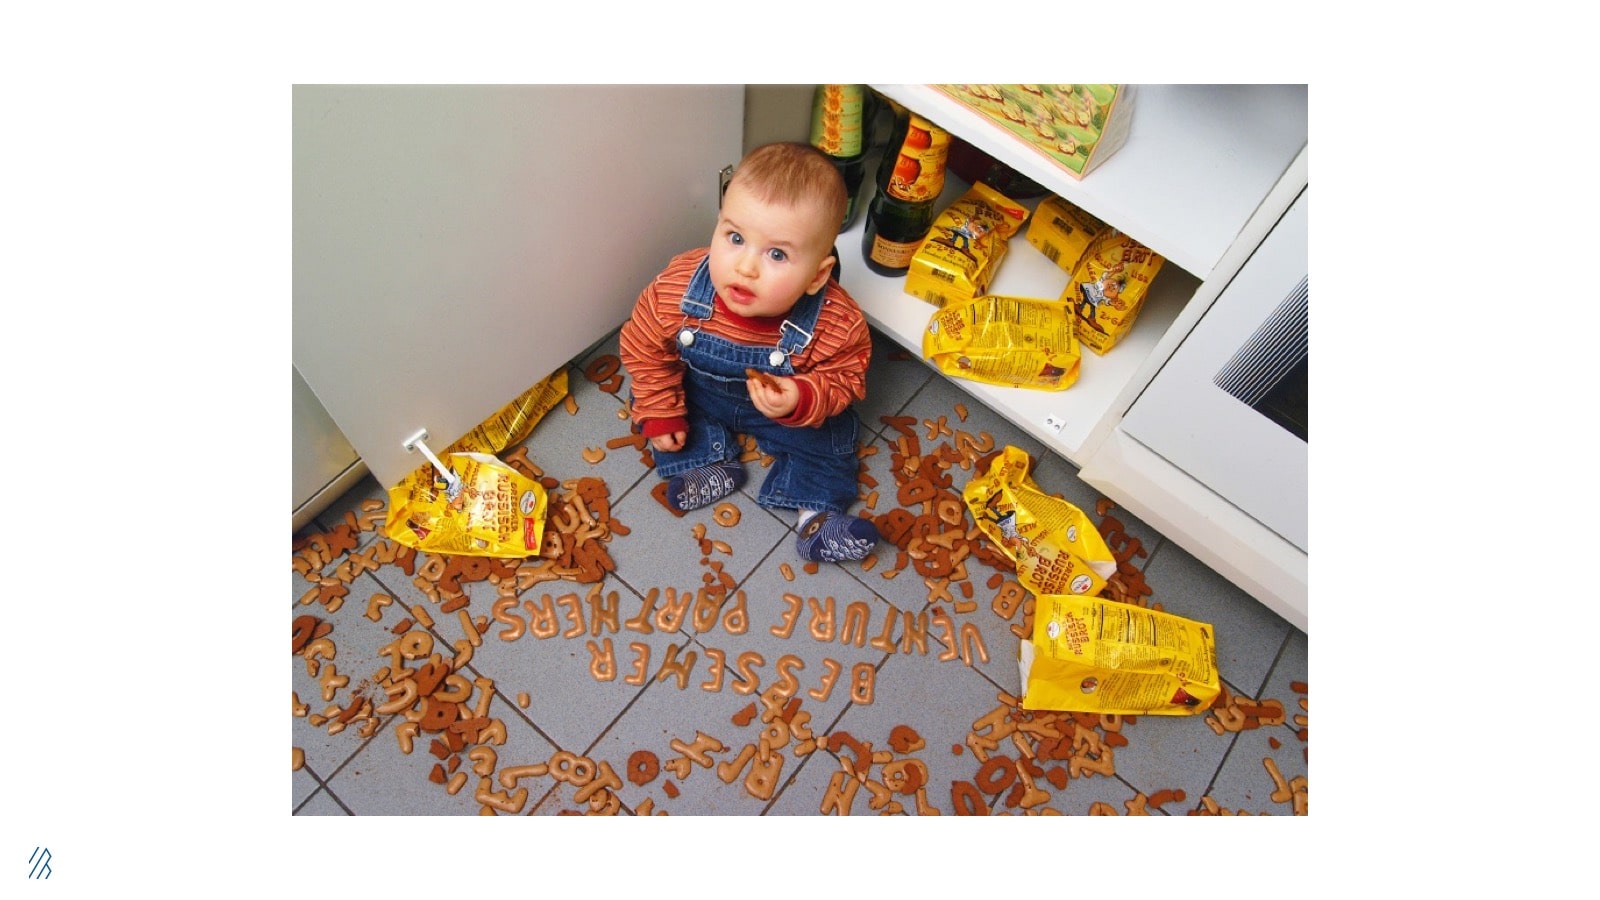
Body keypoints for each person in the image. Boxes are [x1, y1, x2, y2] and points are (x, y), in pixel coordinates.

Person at [619, 142, 880, 563]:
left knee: (832, 437)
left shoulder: (836, 320)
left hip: (783, 409)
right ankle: (707, 463)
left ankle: (816, 519)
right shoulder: (681, 286)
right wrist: (660, 406)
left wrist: (802, 397)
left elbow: (847, 377)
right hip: (700, 391)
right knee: (650, 404)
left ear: (817, 275)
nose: (745, 267)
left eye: (777, 254)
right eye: (735, 238)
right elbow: (644, 343)